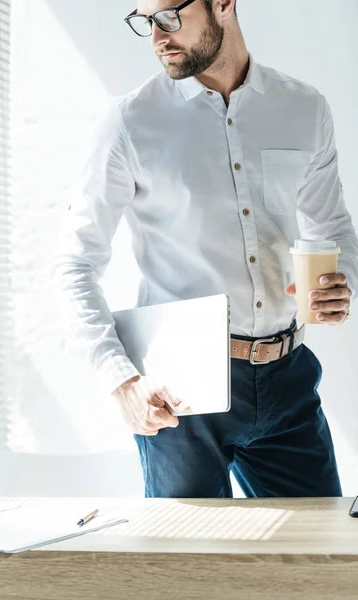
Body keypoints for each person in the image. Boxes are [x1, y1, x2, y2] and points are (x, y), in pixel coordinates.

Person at [55, 0, 358, 498]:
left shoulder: (304, 108)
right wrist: (122, 381)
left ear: (222, 4)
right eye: (144, 21)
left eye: (169, 16)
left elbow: (334, 226)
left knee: (321, 563)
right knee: (189, 569)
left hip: (289, 377)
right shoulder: (129, 122)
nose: (156, 36)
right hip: (181, 393)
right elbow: (74, 262)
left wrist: (340, 278)